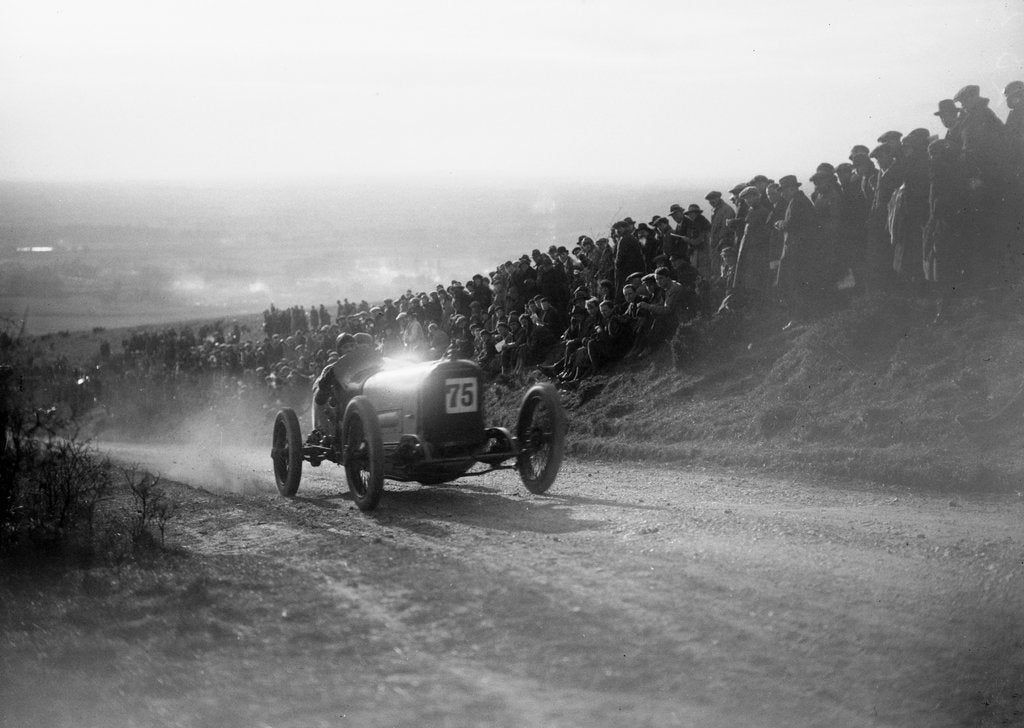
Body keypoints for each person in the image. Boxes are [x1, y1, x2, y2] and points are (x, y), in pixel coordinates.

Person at [309, 332, 383, 446]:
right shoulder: (331, 368)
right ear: (339, 350)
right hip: (340, 404)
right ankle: (323, 431)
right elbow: (320, 391)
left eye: (352, 346)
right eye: (345, 347)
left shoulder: (369, 363)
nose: (349, 349)